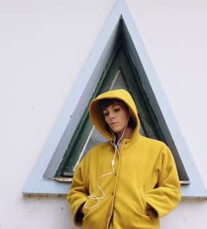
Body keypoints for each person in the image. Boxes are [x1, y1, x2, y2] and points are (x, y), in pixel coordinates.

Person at [67, 89, 181, 229]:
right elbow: (76, 190)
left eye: (116, 110)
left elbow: (171, 189)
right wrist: (86, 207)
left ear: (130, 111)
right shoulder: (94, 154)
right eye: (106, 113)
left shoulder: (157, 150)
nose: (111, 117)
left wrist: (143, 205)